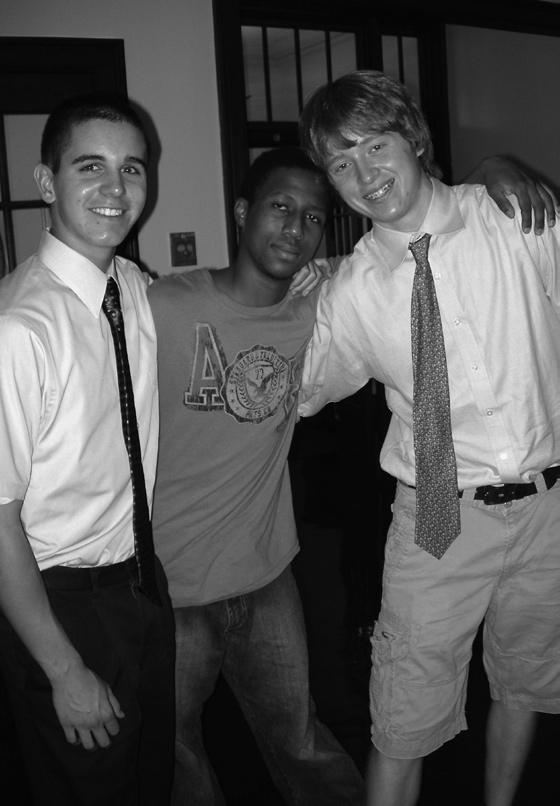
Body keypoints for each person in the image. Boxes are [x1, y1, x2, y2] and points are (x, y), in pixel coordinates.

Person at [298, 68, 560, 806]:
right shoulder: (351, 290)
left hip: (547, 507)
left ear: (412, 137)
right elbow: (302, 391)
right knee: (401, 720)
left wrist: (508, 168)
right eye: (340, 164)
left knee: (525, 684)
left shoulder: (513, 217)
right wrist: (281, 297)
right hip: (437, 516)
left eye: (374, 146)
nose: (364, 175)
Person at [0, 93, 175, 806]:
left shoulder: (131, 286)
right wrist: (64, 669)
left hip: (141, 581)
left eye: (132, 168)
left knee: (149, 777)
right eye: (90, 166)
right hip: (59, 602)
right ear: (47, 183)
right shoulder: (19, 328)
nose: (115, 187)